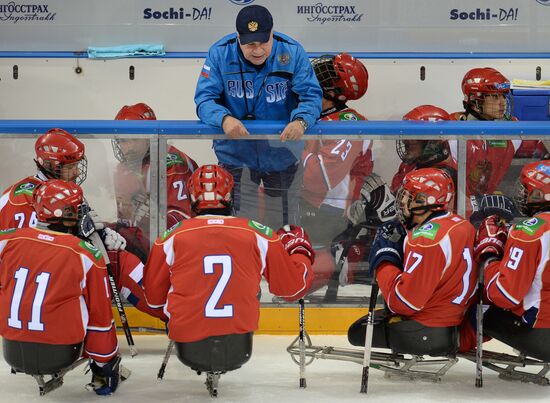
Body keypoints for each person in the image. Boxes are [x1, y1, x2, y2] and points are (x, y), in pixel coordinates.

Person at [0, 128, 166, 322]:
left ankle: (170, 310)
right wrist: (91, 240)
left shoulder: (57, 192)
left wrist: (102, 233)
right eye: (70, 166)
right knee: (112, 263)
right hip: (38, 278)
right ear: (49, 165)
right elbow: (47, 246)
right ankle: (173, 313)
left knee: (115, 258)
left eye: (77, 164)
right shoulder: (33, 198)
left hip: (36, 275)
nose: (77, 171)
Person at [143, 164, 314, 344]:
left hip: (187, 342)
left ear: (192, 198)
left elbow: (153, 300)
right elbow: (293, 288)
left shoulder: (169, 238)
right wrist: (298, 250)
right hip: (239, 343)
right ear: (229, 195)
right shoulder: (260, 235)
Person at [194, 4, 322, 228]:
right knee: (240, 226)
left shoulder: (293, 52)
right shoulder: (219, 53)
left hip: (282, 155)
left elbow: (311, 97)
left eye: (264, 42)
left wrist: (301, 121)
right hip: (235, 157)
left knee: (283, 226)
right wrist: (223, 118)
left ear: (273, 33)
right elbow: (204, 100)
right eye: (250, 44)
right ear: (237, 38)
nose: (258, 50)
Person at [0, 180, 122, 395]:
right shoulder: (85, 253)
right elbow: (101, 318)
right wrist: (106, 361)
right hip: (62, 351)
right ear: (64, 213)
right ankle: (102, 374)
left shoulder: (7, 239)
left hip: (12, 349)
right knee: (90, 303)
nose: (82, 212)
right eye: (77, 207)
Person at [347, 168, 477, 356]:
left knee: (357, 332)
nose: (401, 203)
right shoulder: (461, 224)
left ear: (423, 201)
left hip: (425, 331)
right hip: (455, 324)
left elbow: (403, 303)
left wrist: (385, 258)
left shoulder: (426, 239)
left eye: (407, 196)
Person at [473, 160, 550, 361]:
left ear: (538, 194)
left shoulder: (529, 231)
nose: (522, 194)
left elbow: (505, 294)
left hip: (539, 330)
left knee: (473, 309)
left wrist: (490, 253)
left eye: (526, 189)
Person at [451, 67, 547, 215]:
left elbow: (541, 146)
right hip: (456, 210)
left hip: (490, 209)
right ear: (475, 100)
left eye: (503, 96)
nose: (502, 103)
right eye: (495, 97)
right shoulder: (449, 130)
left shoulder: (511, 128)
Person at [111, 103, 198, 262]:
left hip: (175, 252)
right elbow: (126, 220)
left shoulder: (172, 163)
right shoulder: (123, 167)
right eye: (122, 141)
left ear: (149, 136)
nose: (127, 147)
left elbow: (182, 221)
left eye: (133, 140)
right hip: (144, 248)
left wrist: (150, 216)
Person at [391, 105, 457, 194]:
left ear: (433, 142)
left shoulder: (443, 178)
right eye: (406, 134)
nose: (405, 140)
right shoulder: (410, 164)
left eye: (413, 136)